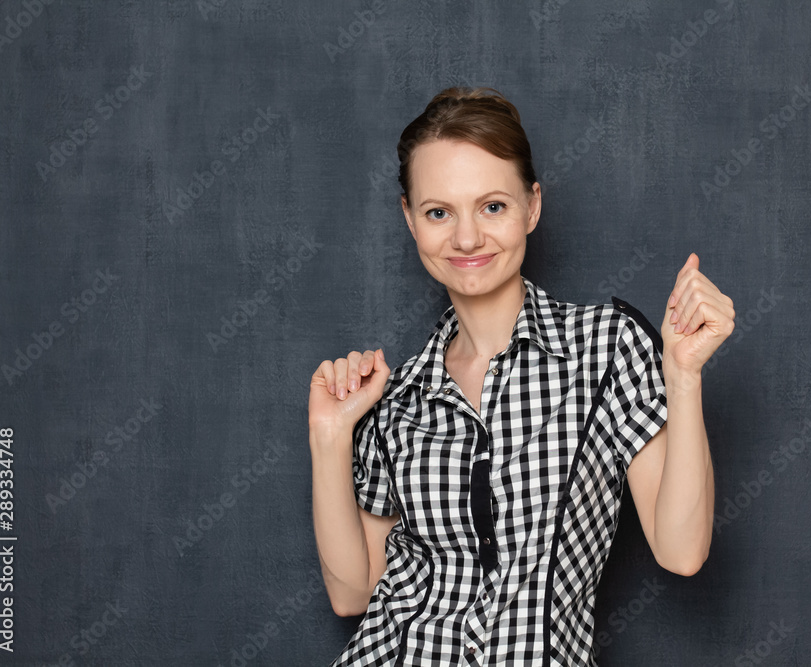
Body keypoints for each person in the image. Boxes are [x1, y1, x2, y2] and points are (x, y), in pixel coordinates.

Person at [309, 87, 735, 666]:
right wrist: (330, 437)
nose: (465, 239)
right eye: (439, 212)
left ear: (532, 206)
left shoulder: (605, 347)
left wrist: (683, 375)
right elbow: (352, 593)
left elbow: (681, 551)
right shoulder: (394, 400)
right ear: (409, 220)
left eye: (492, 206)